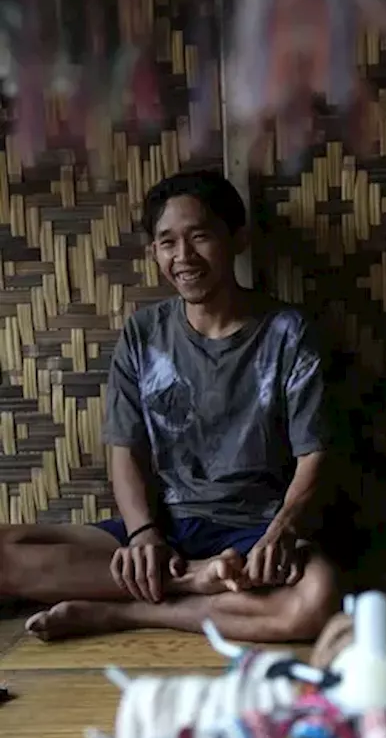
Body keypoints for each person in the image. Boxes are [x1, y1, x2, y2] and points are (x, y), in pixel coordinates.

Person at [0, 170, 338, 642]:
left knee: (316, 601)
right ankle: (190, 581)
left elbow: (314, 455)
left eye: (200, 237)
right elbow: (126, 449)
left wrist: (282, 529)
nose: (183, 257)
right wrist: (142, 535)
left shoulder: (288, 332)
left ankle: (126, 612)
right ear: (153, 251)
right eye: (167, 242)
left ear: (237, 238)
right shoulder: (144, 333)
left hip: (254, 529)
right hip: (168, 524)